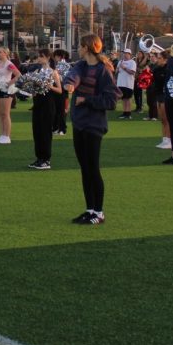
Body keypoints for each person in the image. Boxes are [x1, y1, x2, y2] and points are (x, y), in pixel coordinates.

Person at [65, 35, 119, 225]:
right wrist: (70, 84)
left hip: (93, 126)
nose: (78, 49)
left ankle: (99, 212)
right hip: (79, 124)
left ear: (87, 47)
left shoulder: (103, 70)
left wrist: (86, 100)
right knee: (85, 169)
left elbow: (111, 101)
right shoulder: (81, 65)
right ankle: (89, 210)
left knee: (93, 169)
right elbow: (73, 76)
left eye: (80, 46)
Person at [27, 49, 63, 169]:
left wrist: (50, 86)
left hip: (48, 105)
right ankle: (39, 158)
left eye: (41, 56)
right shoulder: (37, 71)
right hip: (37, 104)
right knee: (36, 131)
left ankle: (46, 160)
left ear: (47, 57)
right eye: (38, 56)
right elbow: (33, 87)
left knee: (45, 132)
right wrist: (30, 88)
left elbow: (60, 90)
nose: (39, 58)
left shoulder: (53, 72)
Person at [148, 48, 172, 148]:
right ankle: (164, 139)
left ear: (166, 59)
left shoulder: (169, 69)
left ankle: (170, 141)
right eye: (158, 58)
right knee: (162, 119)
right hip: (159, 95)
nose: (158, 60)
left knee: (167, 119)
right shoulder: (156, 69)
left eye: (160, 58)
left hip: (166, 96)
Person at [51, 48, 71, 135]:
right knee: (56, 109)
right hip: (56, 88)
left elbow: (64, 78)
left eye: (55, 56)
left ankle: (62, 128)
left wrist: (56, 75)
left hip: (62, 89)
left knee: (62, 110)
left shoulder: (65, 65)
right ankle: (55, 128)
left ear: (59, 56)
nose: (54, 58)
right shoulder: (57, 65)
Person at [116, 48, 137, 120]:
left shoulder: (132, 62)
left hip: (128, 84)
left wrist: (124, 68)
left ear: (129, 54)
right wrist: (117, 70)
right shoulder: (120, 61)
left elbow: (132, 72)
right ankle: (125, 112)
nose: (124, 55)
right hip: (120, 83)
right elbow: (117, 71)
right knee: (123, 99)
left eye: (126, 53)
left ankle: (128, 113)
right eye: (124, 53)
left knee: (128, 99)